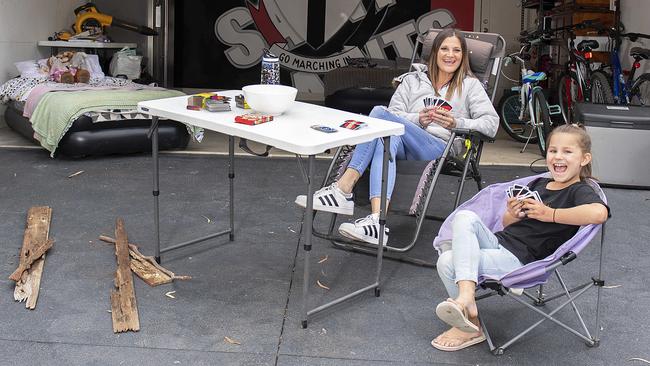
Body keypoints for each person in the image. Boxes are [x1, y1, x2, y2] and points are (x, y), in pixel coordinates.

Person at [295, 28, 499, 245]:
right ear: (434, 52)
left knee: (378, 114)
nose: (450, 55)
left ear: (463, 56)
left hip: (439, 146)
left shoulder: (470, 85)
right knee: (385, 137)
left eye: (457, 50)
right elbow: (395, 114)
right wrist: (417, 119)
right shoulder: (412, 80)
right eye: (444, 48)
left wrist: (457, 122)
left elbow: (491, 124)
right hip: (404, 140)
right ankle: (377, 223)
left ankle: (343, 188)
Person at [431, 124, 609, 352]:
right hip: (500, 242)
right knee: (465, 216)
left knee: (447, 261)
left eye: (567, 152)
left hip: (522, 260)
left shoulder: (578, 190)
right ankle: (468, 301)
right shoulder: (539, 183)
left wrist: (550, 214)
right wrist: (511, 215)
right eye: (553, 150)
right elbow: (507, 225)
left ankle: (470, 320)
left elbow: (599, 213)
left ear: (584, 159)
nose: (558, 157)